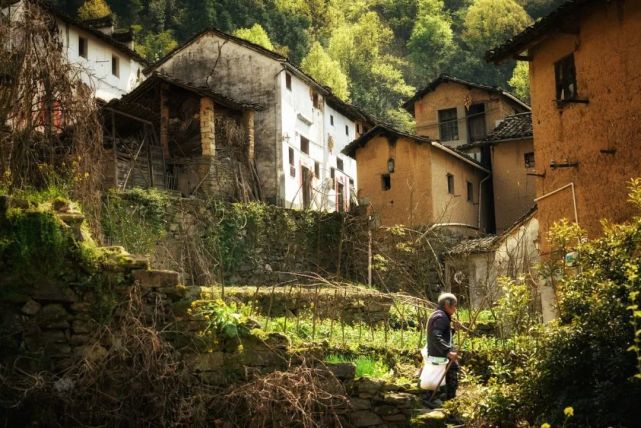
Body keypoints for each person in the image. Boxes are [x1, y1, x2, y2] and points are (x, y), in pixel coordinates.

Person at [426, 292, 460, 402]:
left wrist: (454, 330)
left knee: (445, 380)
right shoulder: (441, 317)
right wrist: (448, 351)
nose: (455, 309)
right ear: (447, 305)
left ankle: (446, 403)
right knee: (450, 380)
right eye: (454, 305)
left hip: (440, 354)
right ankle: (450, 405)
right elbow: (436, 336)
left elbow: (444, 336)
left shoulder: (441, 316)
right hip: (441, 356)